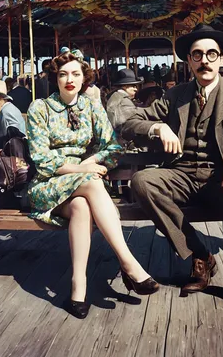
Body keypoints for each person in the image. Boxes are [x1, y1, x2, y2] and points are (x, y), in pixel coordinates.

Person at [122, 22, 223, 306]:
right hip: (182, 175)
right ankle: (201, 254)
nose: (204, 61)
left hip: (222, 177)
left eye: (211, 54)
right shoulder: (176, 96)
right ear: (188, 60)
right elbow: (129, 124)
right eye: (197, 55)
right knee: (142, 182)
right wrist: (157, 128)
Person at [27, 51, 158, 320]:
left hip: (82, 188)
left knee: (81, 206)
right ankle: (128, 261)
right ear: (56, 78)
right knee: (91, 183)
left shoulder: (91, 107)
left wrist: (92, 160)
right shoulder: (39, 108)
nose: (69, 79)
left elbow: (112, 147)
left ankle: (78, 284)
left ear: (84, 78)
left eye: (75, 74)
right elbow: (42, 160)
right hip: (48, 186)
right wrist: (82, 168)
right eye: (63, 74)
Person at [106, 68, 143, 134]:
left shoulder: (115, 96)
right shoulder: (124, 101)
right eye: (133, 86)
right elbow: (133, 121)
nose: (136, 89)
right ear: (125, 86)